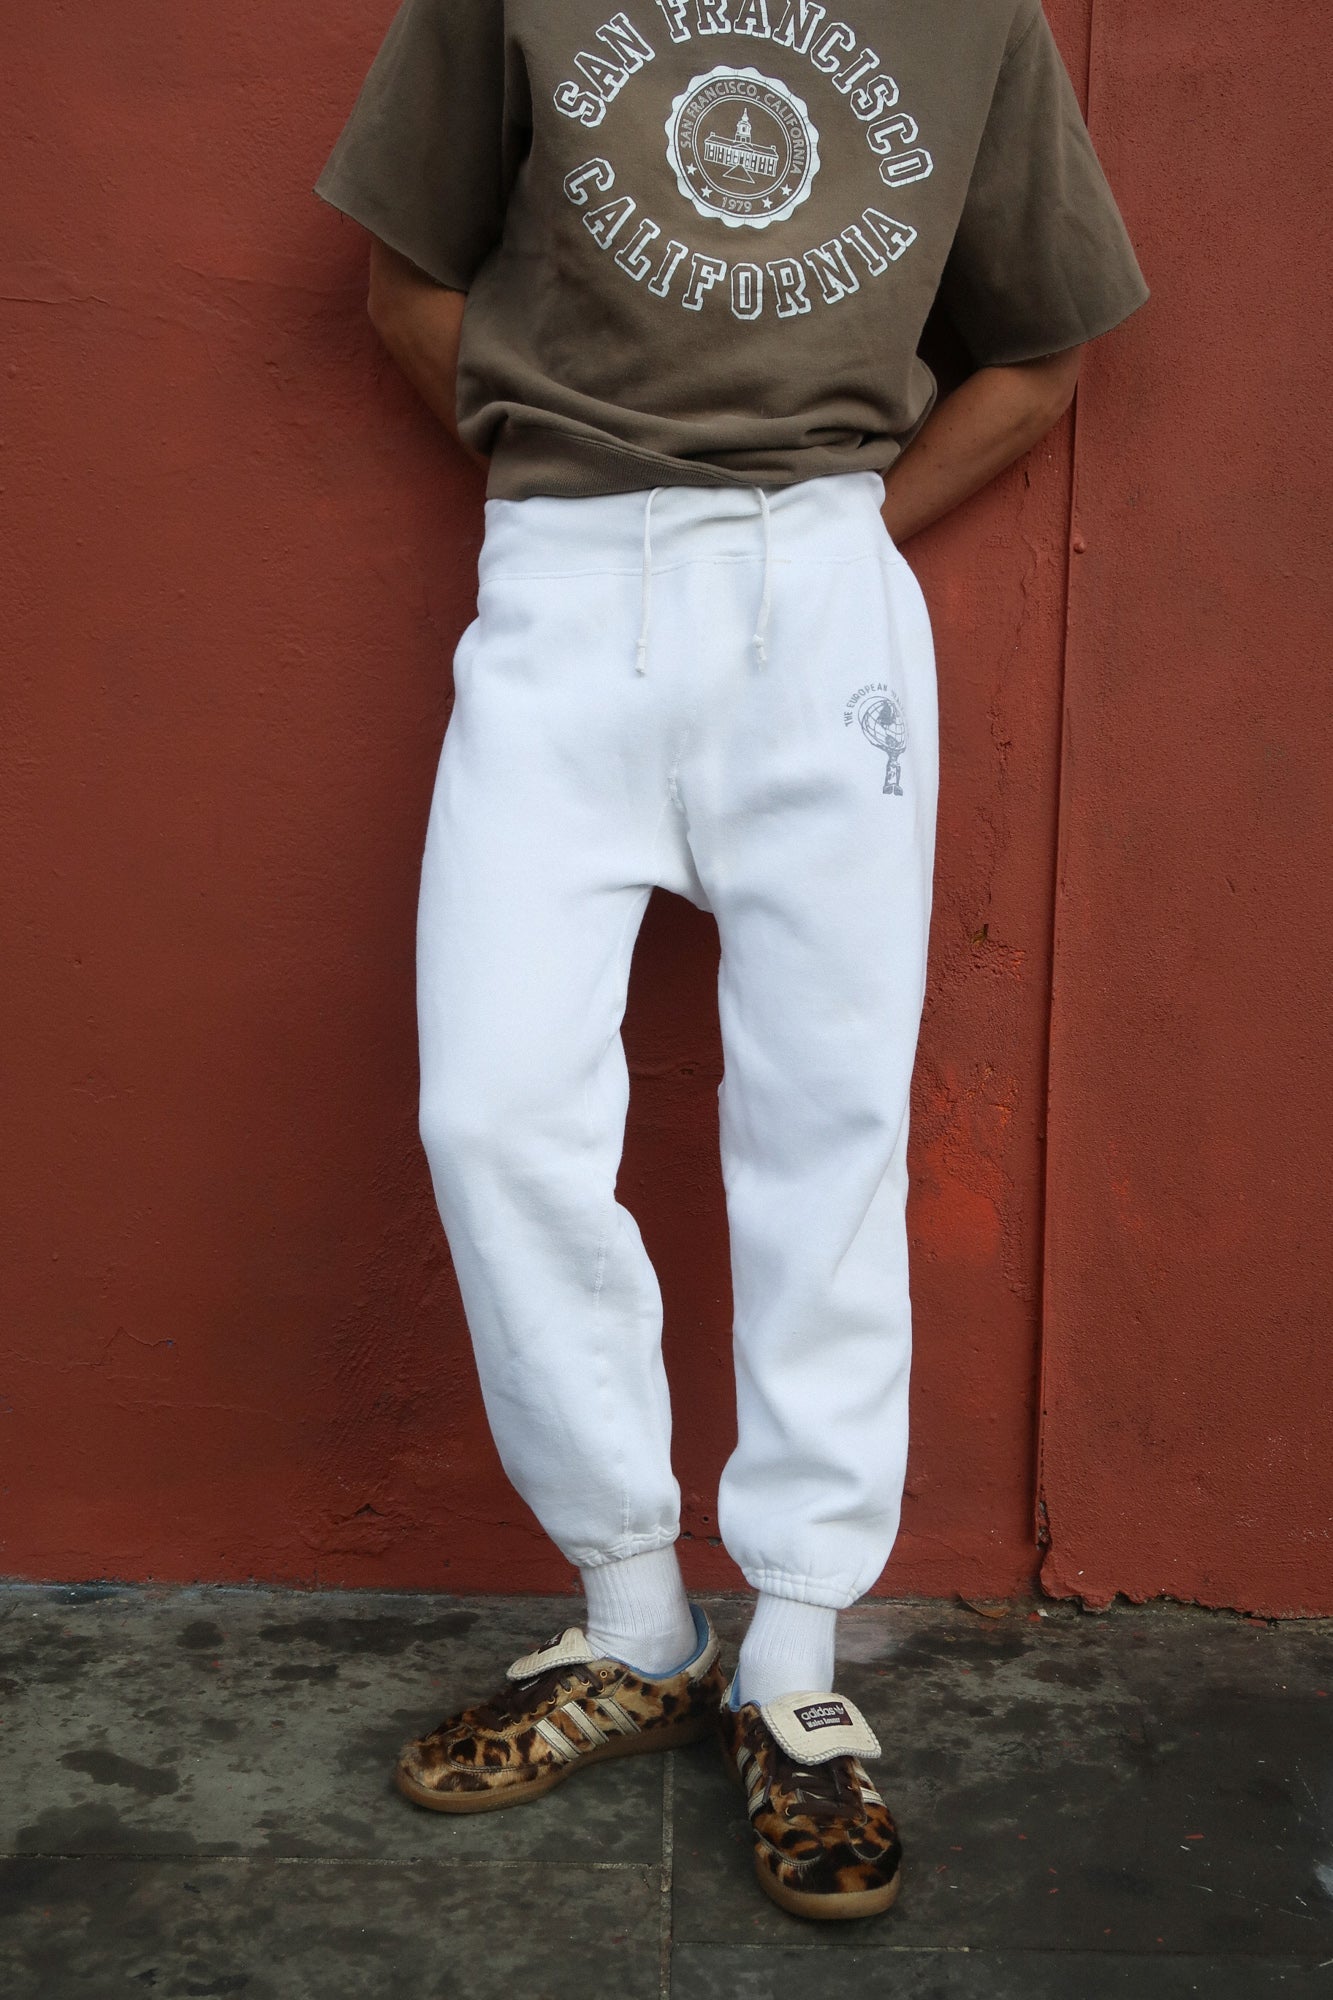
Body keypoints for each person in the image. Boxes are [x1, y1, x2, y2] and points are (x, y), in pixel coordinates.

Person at [314, 0, 1149, 1921]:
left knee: (825, 1131)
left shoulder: (971, 16)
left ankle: (791, 1662)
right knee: (492, 1113)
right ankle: (632, 1614)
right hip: (557, 589)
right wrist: (590, 492)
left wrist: (821, 540)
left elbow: (1039, 355)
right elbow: (402, 284)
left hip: (825, 591)